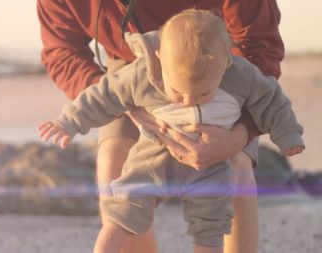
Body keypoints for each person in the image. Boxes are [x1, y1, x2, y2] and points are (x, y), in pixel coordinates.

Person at [38, 9, 304, 253]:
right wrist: (73, 119)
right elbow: (64, 53)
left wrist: (242, 134)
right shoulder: (140, 73)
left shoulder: (236, 73)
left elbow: (263, 60)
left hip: (214, 56)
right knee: (115, 167)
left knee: (235, 172)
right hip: (135, 66)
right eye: (181, 96)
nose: (187, 102)